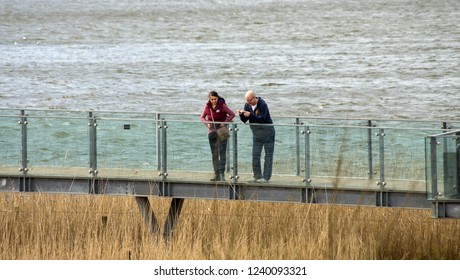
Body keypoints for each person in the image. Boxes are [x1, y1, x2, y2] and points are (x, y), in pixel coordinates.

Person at [237, 90, 275, 183]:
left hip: (268, 133)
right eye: (246, 100)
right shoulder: (247, 105)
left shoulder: (263, 105)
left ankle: (266, 178)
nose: (247, 102)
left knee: (268, 156)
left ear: (254, 98)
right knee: (255, 155)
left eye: (249, 100)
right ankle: (257, 176)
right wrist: (241, 115)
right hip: (256, 134)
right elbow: (245, 120)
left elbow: (262, 119)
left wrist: (250, 114)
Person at [200, 91, 235, 181]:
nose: (213, 101)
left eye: (215, 99)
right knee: (214, 154)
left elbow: (232, 114)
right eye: (212, 99)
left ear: (217, 98)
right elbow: (202, 117)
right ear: (209, 99)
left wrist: (224, 123)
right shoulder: (207, 106)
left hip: (222, 131)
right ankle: (216, 175)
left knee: (222, 152)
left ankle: (222, 175)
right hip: (211, 131)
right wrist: (207, 124)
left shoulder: (222, 105)